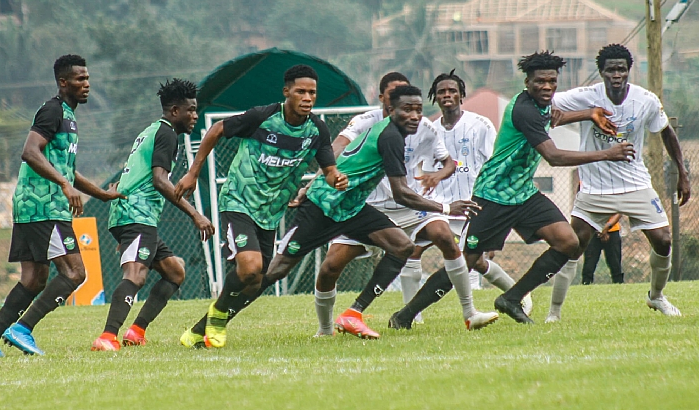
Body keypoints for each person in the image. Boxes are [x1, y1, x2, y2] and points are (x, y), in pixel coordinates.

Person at [204, 85, 480, 346]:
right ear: (390, 109)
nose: (414, 116)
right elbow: (401, 193)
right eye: (407, 109)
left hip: (352, 207)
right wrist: (446, 208)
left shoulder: (397, 133)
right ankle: (211, 321)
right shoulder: (390, 137)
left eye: (418, 109)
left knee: (402, 247)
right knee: (275, 271)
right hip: (323, 206)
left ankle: (354, 314)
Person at [312, 73, 497, 339]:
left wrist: (438, 175)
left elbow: (448, 162)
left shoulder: (423, 127)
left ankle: (469, 313)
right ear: (383, 99)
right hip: (366, 207)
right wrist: (327, 172)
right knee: (331, 266)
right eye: (394, 97)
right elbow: (338, 145)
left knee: (445, 237)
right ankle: (325, 329)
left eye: (411, 103)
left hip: (409, 206)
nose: (405, 107)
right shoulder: (367, 121)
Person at [176, 65, 346, 349]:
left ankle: (199, 329)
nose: (307, 97)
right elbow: (218, 128)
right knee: (250, 267)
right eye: (301, 91)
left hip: (270, 213)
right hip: (238, 200)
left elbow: (329, 169)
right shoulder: (263, 116)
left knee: (256, 282)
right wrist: (194, 171)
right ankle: (217, 318)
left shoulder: (317, 129)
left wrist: (336, 178)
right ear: (286, 91)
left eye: (312, 93)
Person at [459, 51, 635, 324]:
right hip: (493, 193)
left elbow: (554, 117)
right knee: (467, 261)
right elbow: (553, 157)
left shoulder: (541, 104)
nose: (548, 87)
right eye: (541, 81)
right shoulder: (524, 109)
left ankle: (511, 298)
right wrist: (607, 153)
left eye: (552, 81)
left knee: (568, 242)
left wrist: (588, 114)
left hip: (522, 193)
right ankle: (406, 315)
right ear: (527, 82)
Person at [0, 54, 125, 358]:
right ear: (63, 82)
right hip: (44, 206)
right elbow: (30, 151)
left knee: (34, 278)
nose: (86, 84)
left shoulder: (68, 115)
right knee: (75, 272)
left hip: (32, 206)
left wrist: (101, 194)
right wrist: (64, 185)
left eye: (88, 78)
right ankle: (22, 328)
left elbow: (67, 170)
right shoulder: (52, 110)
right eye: (80, 79)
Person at [545, 44, 690, 322]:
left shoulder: (645, 100)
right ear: (601, 72)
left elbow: (666, 133)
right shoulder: (585, 96)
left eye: (621, 69)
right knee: (573, 246)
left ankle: (656, 297)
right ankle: (554, 313)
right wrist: (583, 114)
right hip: (594, 189)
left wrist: (682, 173)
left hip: (635, 184)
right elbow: (547, 107)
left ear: (628, 71)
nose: (616, 74)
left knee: (663, 240)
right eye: (610, 69)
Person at [388, 70, 533, 329]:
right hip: (439, 207)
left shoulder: (480, 124)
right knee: (413, 252)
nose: (447, 95)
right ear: (435, 97)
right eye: (442, 92)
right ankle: (413, 317)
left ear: (461, 95)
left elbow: (494, 162)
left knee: (474, 261)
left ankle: (518, 295)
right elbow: (421, 166)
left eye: (452, 91)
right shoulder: (429, 129)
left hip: (471, 204)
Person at [91, 79, 215, 351]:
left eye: (196, 110)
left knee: (175, 272)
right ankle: (108, 337)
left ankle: (136, 331)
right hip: (137, 214)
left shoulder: (152, 131)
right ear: (174, 111)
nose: (195, 115)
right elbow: (160, 180)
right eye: (190, 110)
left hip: (133, 214)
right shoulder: (167, 134)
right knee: (135, 274)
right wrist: (196, 214)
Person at [581, 213, 623, 285]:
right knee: (589, 263)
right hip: (593, 230)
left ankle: (618, 285)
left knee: (615, 263)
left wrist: (606, 228)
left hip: (612, 230)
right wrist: (599, 229)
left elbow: (619, 213)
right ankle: (586, 284)